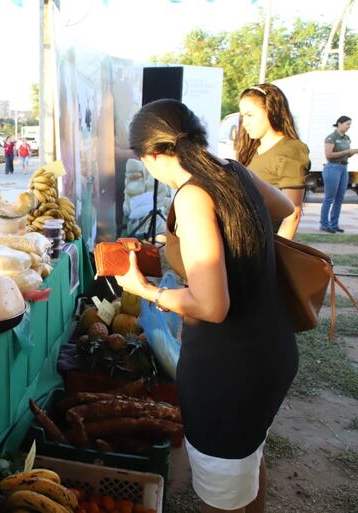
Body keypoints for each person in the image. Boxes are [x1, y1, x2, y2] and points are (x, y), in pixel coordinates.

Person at [118, 99, 297, 513]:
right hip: (271, 351)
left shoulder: (192, 197)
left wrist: (144, 290)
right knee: (247, 461)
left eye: (143, 158)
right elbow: (284, 208)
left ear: (156, 154)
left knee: (223, 489)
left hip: (229, 376)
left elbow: (212, 306)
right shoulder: (233, 172)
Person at [235, 84, 310, 240]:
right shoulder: (252, 149)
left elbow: (293, 213)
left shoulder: (291, 150)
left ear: (271, 110)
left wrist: (277, 255)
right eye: (243, 116)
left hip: (268, 243)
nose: (245, 123)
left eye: (250, 115)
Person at [319, 115, 358, 233]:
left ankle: (334, 224)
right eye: (347, 124)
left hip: (343, 167)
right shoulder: (331, 138)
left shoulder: (347, 138)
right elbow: (328, 155)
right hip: (332, 167)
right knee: (329, 197)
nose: (349, 127)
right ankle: (324, 224)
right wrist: (347, 151)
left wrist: (352, 152)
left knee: (339, 198)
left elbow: (346, 154)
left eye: (350, 124)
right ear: (339, 123)